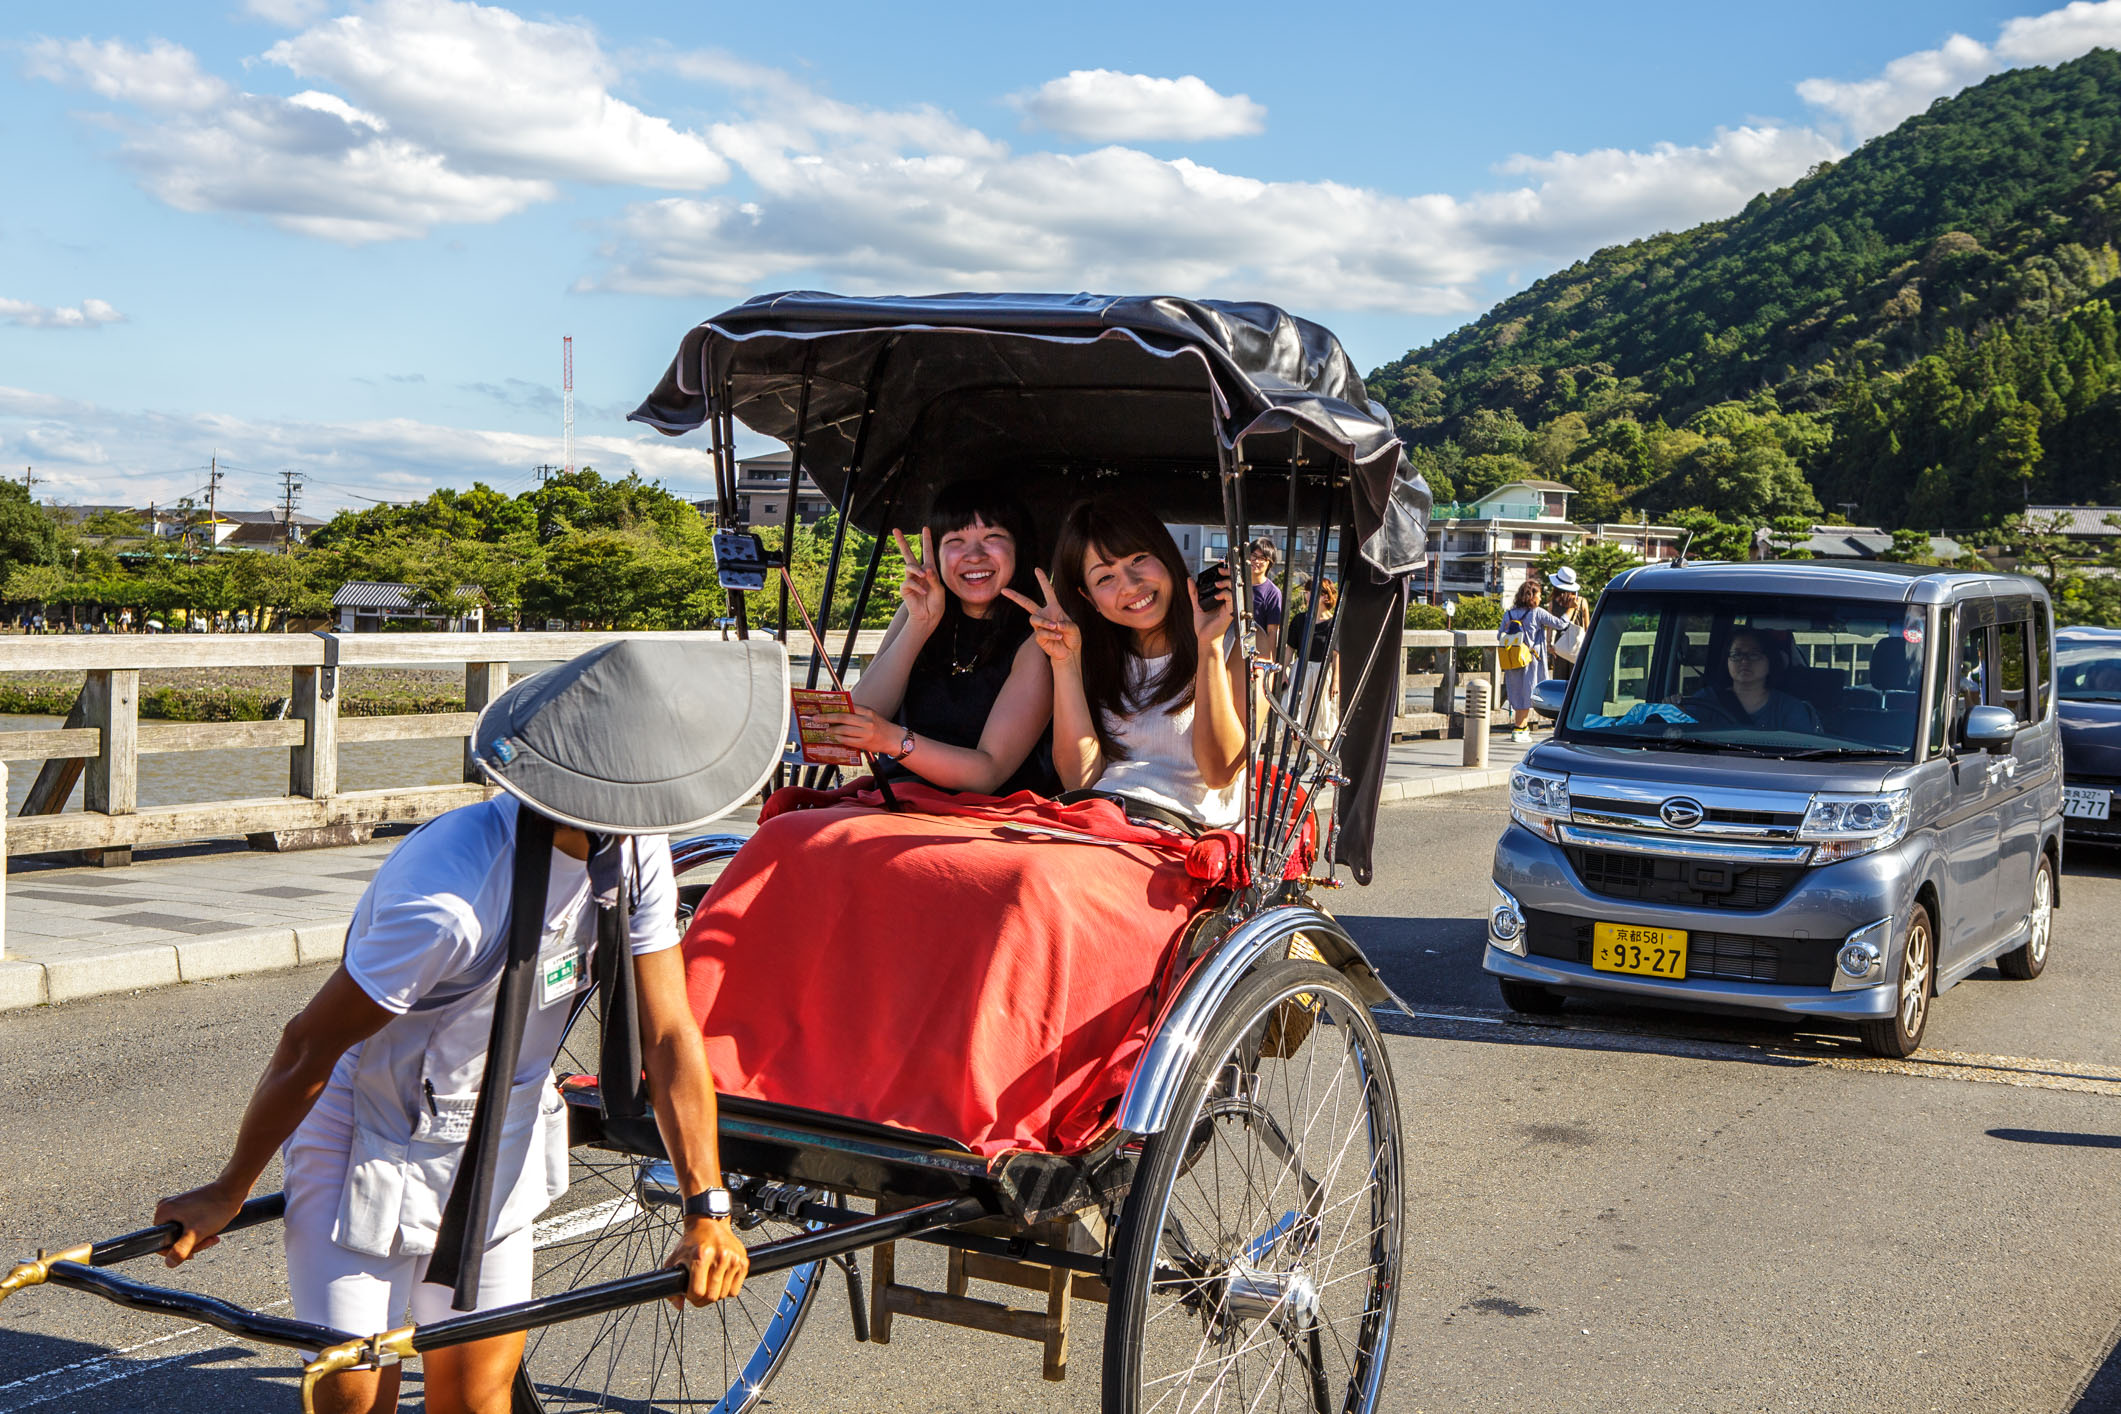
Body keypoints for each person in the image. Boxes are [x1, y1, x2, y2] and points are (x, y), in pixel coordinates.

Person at [152, 640, 776, 1414]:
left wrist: (706, 1206)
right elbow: (308, 1044)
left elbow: (671, 1035)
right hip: (371, 1137)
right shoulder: (449, 898)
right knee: (352, 1399)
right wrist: (229, 1188)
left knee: (474, 1400)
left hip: (501, 1136)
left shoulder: (635, 853)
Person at [798, 480, 1057, 797]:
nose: (974, 555)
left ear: (1019, 548)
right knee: (783, 829)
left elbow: (987, 773)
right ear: (935, 554)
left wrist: (892, 739)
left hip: (983, 814)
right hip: (895, 798)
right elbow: (852, 723)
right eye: (956, 541)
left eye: (992, 538)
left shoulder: (1035, 639)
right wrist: (921, 623)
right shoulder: (915, 612)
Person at [1008, 495, 1247, 830]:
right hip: (1098, 824)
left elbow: (1220, 771)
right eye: (1105, 578)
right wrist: (1065, 663)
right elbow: (1081, 781)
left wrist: (1210, 646)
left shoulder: (1242, 644)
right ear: (1088, 598)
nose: (1131, 585)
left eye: (1138, 559)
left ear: (1166, 555)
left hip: (1181, 835)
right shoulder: (1092, 653)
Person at [1684, 626, 1823, 733]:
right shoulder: (1705, 701)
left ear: (1770, 662)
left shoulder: (1790, 709)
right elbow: (1681, 740)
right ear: (1727, 661)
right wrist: (1673, 712)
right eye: (1736, 655)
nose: (1744, 661)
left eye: (1754, 655)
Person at [1501, 579, 1571, 743]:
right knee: (1528, 692)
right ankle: (1519, 730)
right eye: (1539, 595)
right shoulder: (1537, 612)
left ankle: (1521, 727)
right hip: (1530, 659)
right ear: (1531, 596)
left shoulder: (1509, 614)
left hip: (1512, 658)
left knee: (1517, 692)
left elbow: (1500, 635)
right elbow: (1560, 624)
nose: (1540, 598)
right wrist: (1570, 610)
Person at [1546, 565, 1591, 682]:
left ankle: (1559, 701)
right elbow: (1587, 628)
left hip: (1559, 646)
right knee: (1575, 681)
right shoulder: (1582, 602)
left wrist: (1548, 645)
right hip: (1577, 646)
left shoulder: (1553, 603)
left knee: (1559, 681)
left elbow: (1550, 627)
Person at [1247, 539, 1284, 661]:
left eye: (1262, 558)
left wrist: (1270, 662)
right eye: (1253, 555)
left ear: (1270, 563)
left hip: (1256, 653)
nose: (1256, 561)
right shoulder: (1235, 585)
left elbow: (1272, 632)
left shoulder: (1273, 593)